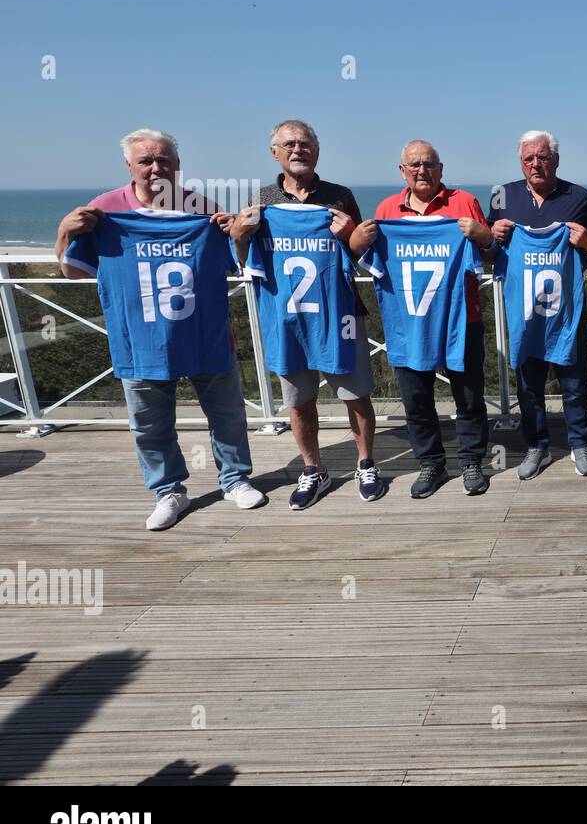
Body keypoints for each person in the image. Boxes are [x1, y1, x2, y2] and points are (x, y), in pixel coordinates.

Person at [54, 128, 265, 530]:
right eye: (146, 161)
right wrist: (65, 230)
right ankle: (169, 491)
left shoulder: (201, 209)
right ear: (129, 166)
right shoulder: (105, 212)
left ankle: (235, 479)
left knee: (227, 414)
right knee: (150, 424)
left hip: (205, 333)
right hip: (141, 340)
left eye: (163, 160)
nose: (155, 168)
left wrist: (234, 233)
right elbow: (72, 270)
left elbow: (235, 264)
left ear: (177, 164)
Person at [230, 119, 382, 509]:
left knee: (356, 395)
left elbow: (357, 253)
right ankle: (314, 470)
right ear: (275, 152)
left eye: (305, 143)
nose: (298, 150)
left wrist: (351, 233)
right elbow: (246, 264)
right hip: (287, 318)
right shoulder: (262, 201)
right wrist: (238, 235)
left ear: (317, 150)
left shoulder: (339, 196)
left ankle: (366, 462)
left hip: (339, 315)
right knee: (299, 401)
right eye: (290, 144)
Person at [351, 141, 496, 497]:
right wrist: (356, 242)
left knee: (469, 396)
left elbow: (490, 253)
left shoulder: (464, 202)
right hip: (408, 324)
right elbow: (363, 260)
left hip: (461, 320)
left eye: (429, 164)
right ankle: (430, 463)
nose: (422, 171)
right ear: (402, 171)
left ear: (441, 168)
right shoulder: (386, 211)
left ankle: (471, 462)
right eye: (414, 165)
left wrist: (484, 235)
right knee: (416, 399)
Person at [489, 131, 587, 479]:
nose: (536, 164)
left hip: (566, 310)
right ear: (520, 162)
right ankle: (537, 446)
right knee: (528, 385)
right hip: (524, 312)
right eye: (528, 158)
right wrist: (493, 234)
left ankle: (579, 443)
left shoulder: (579, 197)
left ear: (556, 159)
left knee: (574, 380)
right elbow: (490, 252)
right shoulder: (500, 195)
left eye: (543, 157)